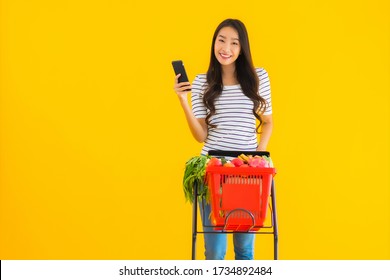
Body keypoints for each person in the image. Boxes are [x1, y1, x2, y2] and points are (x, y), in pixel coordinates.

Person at [173, 18, 273, 260]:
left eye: (234, 43)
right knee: (215, 251)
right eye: (221, 40)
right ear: (214, 43)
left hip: (247, 174)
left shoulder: (258, 77)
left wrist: (256, 157)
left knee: (245, 249)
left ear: (242, 48)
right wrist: (183, 101)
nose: (226, 48)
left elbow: (268, 122)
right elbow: (201, 136)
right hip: (213, 170)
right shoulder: (201, 82)